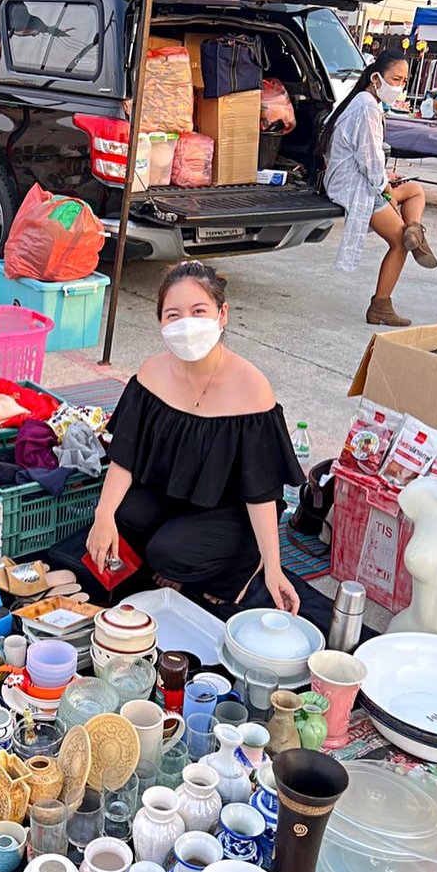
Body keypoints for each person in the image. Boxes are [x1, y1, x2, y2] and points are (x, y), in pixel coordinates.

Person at [85, 261, 303, 615]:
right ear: (160, 323)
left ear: (222, 315)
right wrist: (103, 514)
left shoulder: (251, 388)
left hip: (232, 510)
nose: (186, 323)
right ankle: (177, 562)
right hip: (177, 493)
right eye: (173, 315)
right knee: (125, 514)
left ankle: (242, 567)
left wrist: (274, 565)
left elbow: (261, 490)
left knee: (168, 553)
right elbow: (125, 455)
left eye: (198, 311)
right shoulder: (152, 373)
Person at [322, 48, 436, 327]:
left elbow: (367, 156)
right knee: (399, 243)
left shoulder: (364, 102)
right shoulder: (366, 106)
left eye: (403, 81)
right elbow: (369, 157)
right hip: (353, 185)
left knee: (414, 191)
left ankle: (415, 231)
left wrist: (386, 178)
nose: (398, 87)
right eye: (395, 79)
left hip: (354, 178)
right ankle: (381, 306)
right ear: (376, 78)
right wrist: (384, 185)